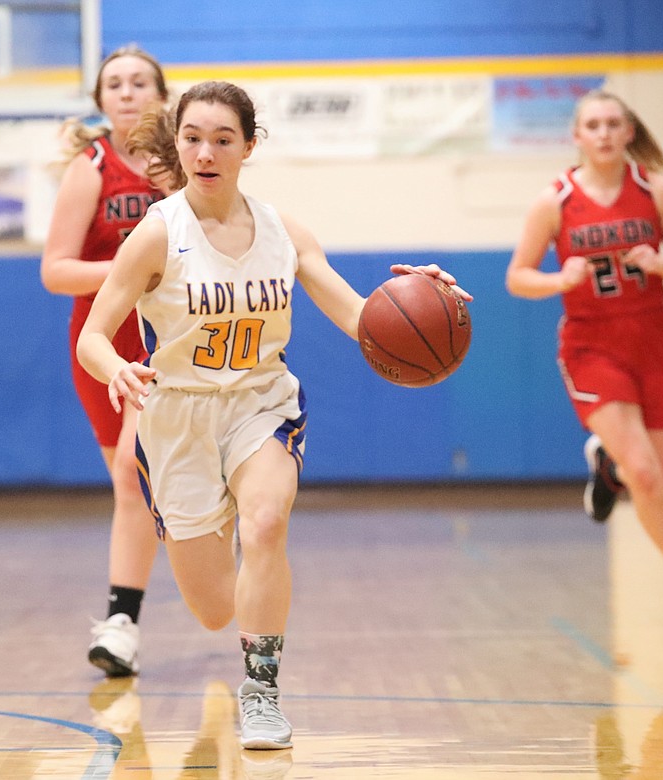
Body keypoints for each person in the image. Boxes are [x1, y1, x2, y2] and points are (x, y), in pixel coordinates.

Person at [76, 80, 470, 749]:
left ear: (248, 147)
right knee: (213, 610)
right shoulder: (155, 234)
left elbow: (358, 315)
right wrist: (117, 368)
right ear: (178, 144)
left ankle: (262, 693)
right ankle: (228, 560)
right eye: (193, 138)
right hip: (178, 422)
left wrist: (417, 299)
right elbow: (92, 335)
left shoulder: (283, 229)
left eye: (223, 139)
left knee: (264, 521)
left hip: (261, 404)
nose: (206, 151)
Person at [504, 89, 663, 631]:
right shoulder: (554, 200)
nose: (602, 133)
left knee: (661, 487)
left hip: (655, 340)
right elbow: (517, 276)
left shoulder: (656, 190)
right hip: (592, 344)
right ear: (576, 136)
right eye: (592, 125)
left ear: (628, 132)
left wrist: (659, 261)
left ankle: (607, 468)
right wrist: (560, 278)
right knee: (645, 475)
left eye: (612, 124)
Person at [40, 44, 168, 678]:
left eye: (139, 81)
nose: (126, 92)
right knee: (134, 486)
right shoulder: (90, 169)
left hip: (171, 339)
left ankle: (122, 621)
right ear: (99, 101)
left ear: (162, 95)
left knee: (132, 475)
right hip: (101, 341)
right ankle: (125, 619)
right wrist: (132, 271)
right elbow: (56, 270)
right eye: (114, 83)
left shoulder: (184, 167)